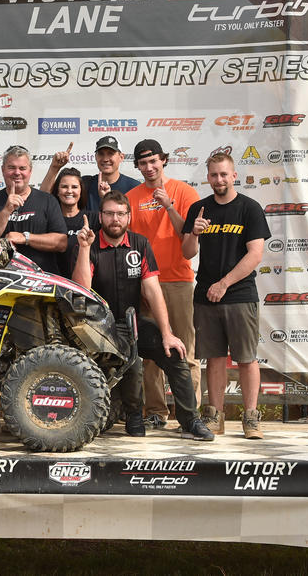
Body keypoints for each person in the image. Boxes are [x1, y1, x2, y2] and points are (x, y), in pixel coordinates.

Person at [72, 191, 214, 441]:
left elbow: (153, 291)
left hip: (133, 323)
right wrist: (84, 248)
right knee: (133, 361)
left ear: (129, 216)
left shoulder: (140, 243)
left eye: (120, 214)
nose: (114, 219)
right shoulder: (89, 243)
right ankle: (134, 416)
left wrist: (168, 333)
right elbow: (82, 288)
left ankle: (190, 419)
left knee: (176, 354)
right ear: (100, 216)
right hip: (100, 329)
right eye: (109, 214)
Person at [182, 153, 270, 439]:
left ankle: (251, 418)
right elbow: (187, 253)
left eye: (224, 174)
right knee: (214, 358)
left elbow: (255, 255)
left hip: (240, 294)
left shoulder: (250, 208)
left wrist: (224, 283)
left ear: (234, 176)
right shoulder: (199, 208)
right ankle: (214, 416)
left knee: (246, 358)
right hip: (206, 295)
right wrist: (193, 233)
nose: (219, 180)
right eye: (213, 175)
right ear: (207, 177)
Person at [126, 139, 201, 430]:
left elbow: (189, 242)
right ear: (138, 166)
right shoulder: (131, 196)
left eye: (153, 161)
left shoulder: (184, 191)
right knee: (150, 353)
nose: (149, 167)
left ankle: (190, 416)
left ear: (164, 160)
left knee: (187, 352)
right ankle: (156, 411)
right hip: (145, 283)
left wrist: (169, 206)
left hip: (179, 280)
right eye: (143, 163)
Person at [0, 145, 66, 274]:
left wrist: (26, 238)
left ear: (30, 171)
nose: (17, 172)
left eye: (22, 168)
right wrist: (6, 211)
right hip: (0, 281)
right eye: (11, 167)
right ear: (3, 170)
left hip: (41, 281)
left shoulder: (47, 200)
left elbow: (61, 243)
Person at [40, 136, 140, 210]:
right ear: (96, 157)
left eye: (110, 154)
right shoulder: (85, 183)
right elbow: (44, 198)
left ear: (121, 157)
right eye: (101, 154)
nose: (105, 159)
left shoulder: (134, 187)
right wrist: (54, 168)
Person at [50, 167, 100, 279]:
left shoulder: (94, 218)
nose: (69, 191)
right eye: (64, 186)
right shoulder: (49, 220)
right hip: (55, 285)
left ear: (81, 191)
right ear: (57, 191)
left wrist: (105, 197)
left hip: (86, 286)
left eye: (74, 187)